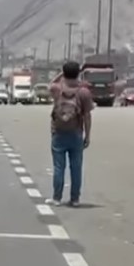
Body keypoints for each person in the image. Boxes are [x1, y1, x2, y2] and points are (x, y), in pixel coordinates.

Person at [46, 60, 94, 208]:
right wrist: (88, 135)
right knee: (76, 167)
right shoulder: (84, 92)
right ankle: (75, 199)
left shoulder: (57, 89)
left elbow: (51, 83)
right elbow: (87, 115)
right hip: (76, 133)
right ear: (78, 74)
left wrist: (61, 73)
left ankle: (57, 198)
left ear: (64, 73)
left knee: (59, 167)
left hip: (58, 132)